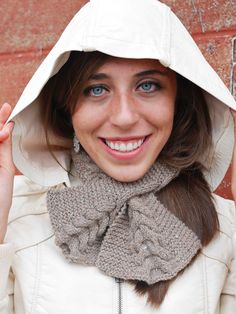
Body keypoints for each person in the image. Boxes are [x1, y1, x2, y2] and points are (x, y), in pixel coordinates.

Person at [0, 0, 236, 313]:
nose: (124, 117)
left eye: (148, 85)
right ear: (66, 108)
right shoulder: (13, 215)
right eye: (96, 89)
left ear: (179, 102)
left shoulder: (227, 227)